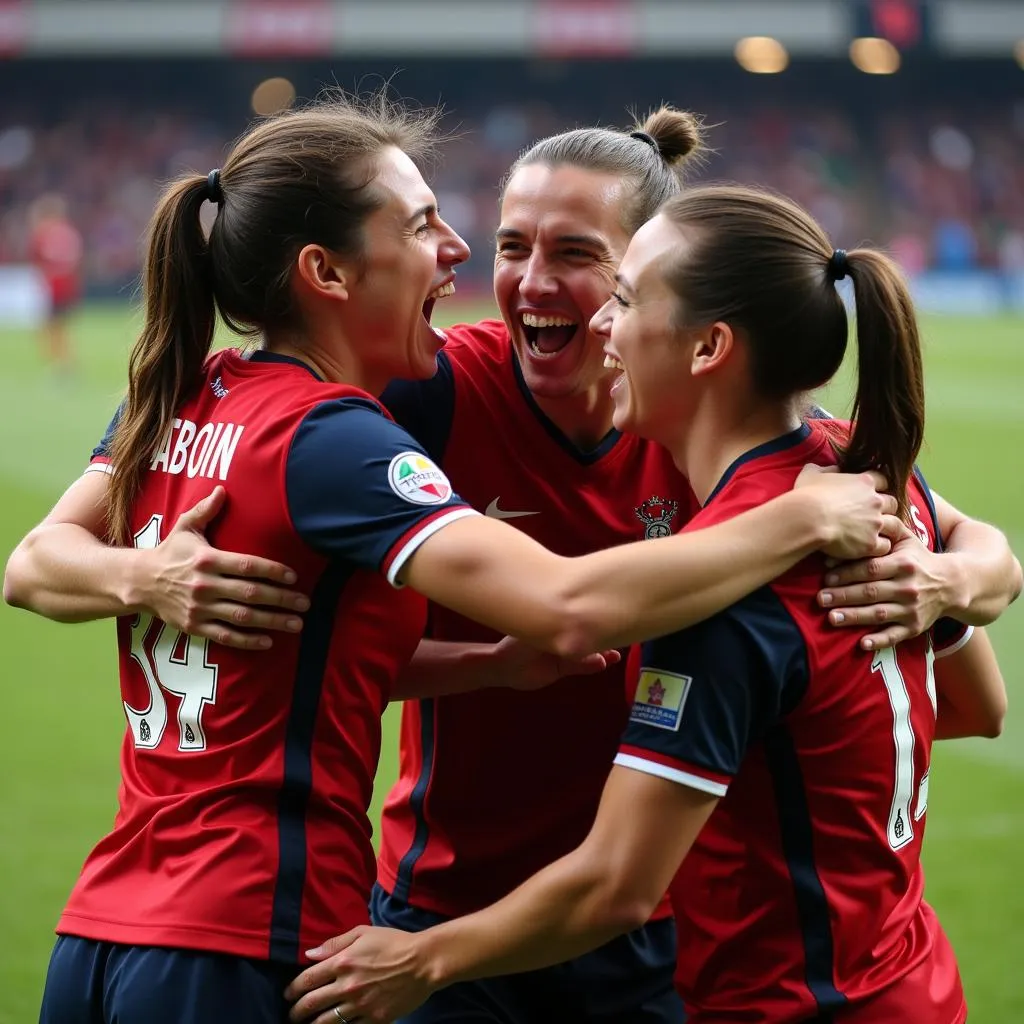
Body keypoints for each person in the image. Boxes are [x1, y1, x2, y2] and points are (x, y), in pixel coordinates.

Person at [8, 109, 1020, 1024]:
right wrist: (142, 579)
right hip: (445, 911)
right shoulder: (413, 401)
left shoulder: (719, 439)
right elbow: (561, 609)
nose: (522, 279)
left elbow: (971, 556)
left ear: (659, 292)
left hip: (647, 924)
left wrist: (955, 584)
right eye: (505, 244)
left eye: (584, 262)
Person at [284, 186, 1019, 1024]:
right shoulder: (868, 476)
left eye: (625, 298)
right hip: (914, 981)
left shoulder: (712, 592)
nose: (604, 324)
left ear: (709, 347)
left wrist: (423, 958)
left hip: (788, 1003)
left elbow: (616, 886)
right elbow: (977, 704)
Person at [27, 193, 84, 376]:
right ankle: (64, 364)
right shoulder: (69, 232)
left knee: (51, 328)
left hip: (53, 288)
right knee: (59, 327)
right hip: (67, 286)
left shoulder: (43, 233)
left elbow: (37, 261)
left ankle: (62, 365)